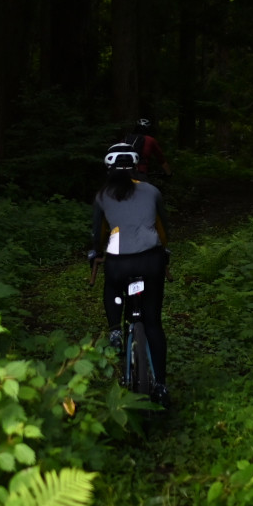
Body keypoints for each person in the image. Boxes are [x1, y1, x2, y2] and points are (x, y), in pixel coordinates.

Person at [89, 144, 171, 405]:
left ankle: (115, 329)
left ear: (109, 168)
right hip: (151, 262)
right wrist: (165, 249)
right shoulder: (152, 191)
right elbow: (162, 226)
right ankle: (160, 385)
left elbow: (98, 233)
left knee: (112, 287)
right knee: (153, 324)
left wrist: (94, 251)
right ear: (136, 166)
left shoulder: (102, 196)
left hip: (118, 264)